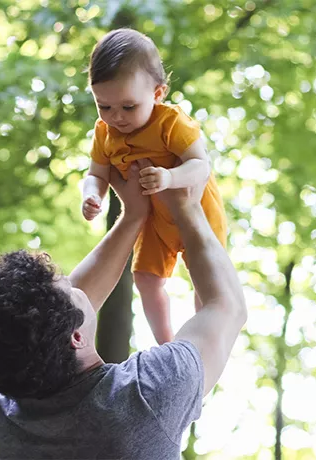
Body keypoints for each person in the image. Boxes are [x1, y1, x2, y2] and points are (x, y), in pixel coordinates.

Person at [0, 161, 246, 459]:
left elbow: (54, 325)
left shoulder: (7, 406)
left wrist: (133, 216)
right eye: (69, 287)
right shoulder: (146, 396)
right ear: (76, 338)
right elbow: (227, 307)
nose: (75, 283)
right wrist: (184, 204)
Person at [80, 28, 228, 345]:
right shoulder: (104, 133)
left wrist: (169, 177)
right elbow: (97, 174)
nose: (115, 117)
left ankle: (206, 343)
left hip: (198, 213)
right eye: (103, 106)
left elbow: (201, 165)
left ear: (158, 93)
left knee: (207, 280)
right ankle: (167, 344)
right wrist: (92, 195)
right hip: (153, 222)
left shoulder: (170, 122)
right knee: (145, 279)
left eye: (128, 107)